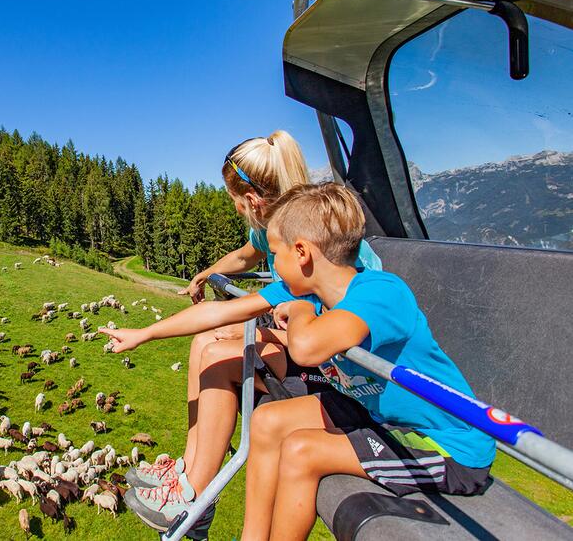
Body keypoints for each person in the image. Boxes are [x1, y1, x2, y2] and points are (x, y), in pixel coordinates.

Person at [105, 133, 381, 533]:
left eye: (235, 203)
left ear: (253, 202)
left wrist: (288, 317)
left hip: (331, 361)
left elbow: (313, 330)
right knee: (205, 341)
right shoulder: (293, 234)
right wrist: (201, 279)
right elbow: (243, 263)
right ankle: (189, 473)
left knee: (218, 355)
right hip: (307, 331)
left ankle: (195, 496)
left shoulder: (302, 256)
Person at [238, 183, 494, 541]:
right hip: (384, 415)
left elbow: (307, 349)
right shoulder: (321, 296)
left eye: (276, 254)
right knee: (267, 419)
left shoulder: (381, 292)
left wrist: (297, 312)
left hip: (447, 447)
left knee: (301, 451)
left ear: (301, 253)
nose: (274, 266)